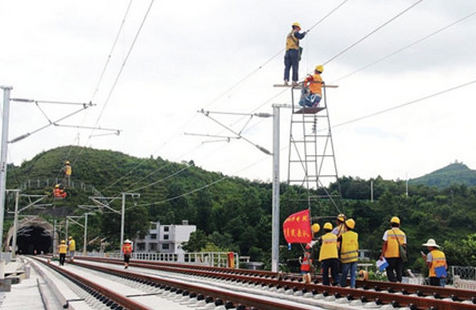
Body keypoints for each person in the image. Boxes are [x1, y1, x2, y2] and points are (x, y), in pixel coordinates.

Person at [380, 216, 406, 282]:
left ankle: (394, 282)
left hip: (389, 255)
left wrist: (382, 254)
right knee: (399, 271)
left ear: (391, 224)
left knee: (389, 270)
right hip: (400, 256)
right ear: (399, 224)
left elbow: (385, 244)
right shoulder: (403, 234)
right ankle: (399, 283)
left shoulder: (387, 232)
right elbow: (404, 246)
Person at [339, 219, 359, 288]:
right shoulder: (356, 235)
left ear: (346, 226)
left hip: (346, 258)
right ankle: (352, 286)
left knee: (344, 273)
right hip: (354, 257)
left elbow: (338, 241)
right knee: (353, 274)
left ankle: (342, 285)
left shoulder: (343, 236)